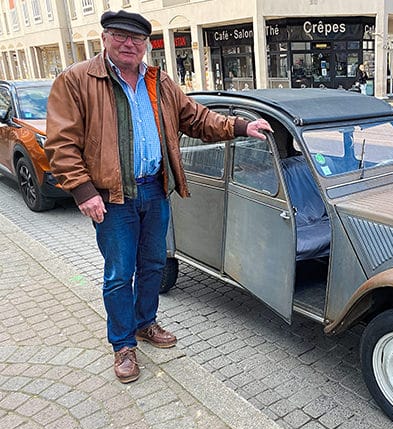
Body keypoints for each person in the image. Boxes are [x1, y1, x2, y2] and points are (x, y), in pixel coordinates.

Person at [44, 10, 273, 384]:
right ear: (105, 38)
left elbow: (197, 119)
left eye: (136, 39)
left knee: (153, 264)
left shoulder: (159, 82)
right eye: (120, 36)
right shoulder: (76, 80)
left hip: (154, 188)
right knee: (120, 274)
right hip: (112, 196)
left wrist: (240, 125)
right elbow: (61, 143)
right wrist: (84, 190)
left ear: (146, 45)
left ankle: (145, 324)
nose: (128, 44)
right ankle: (122, 345)